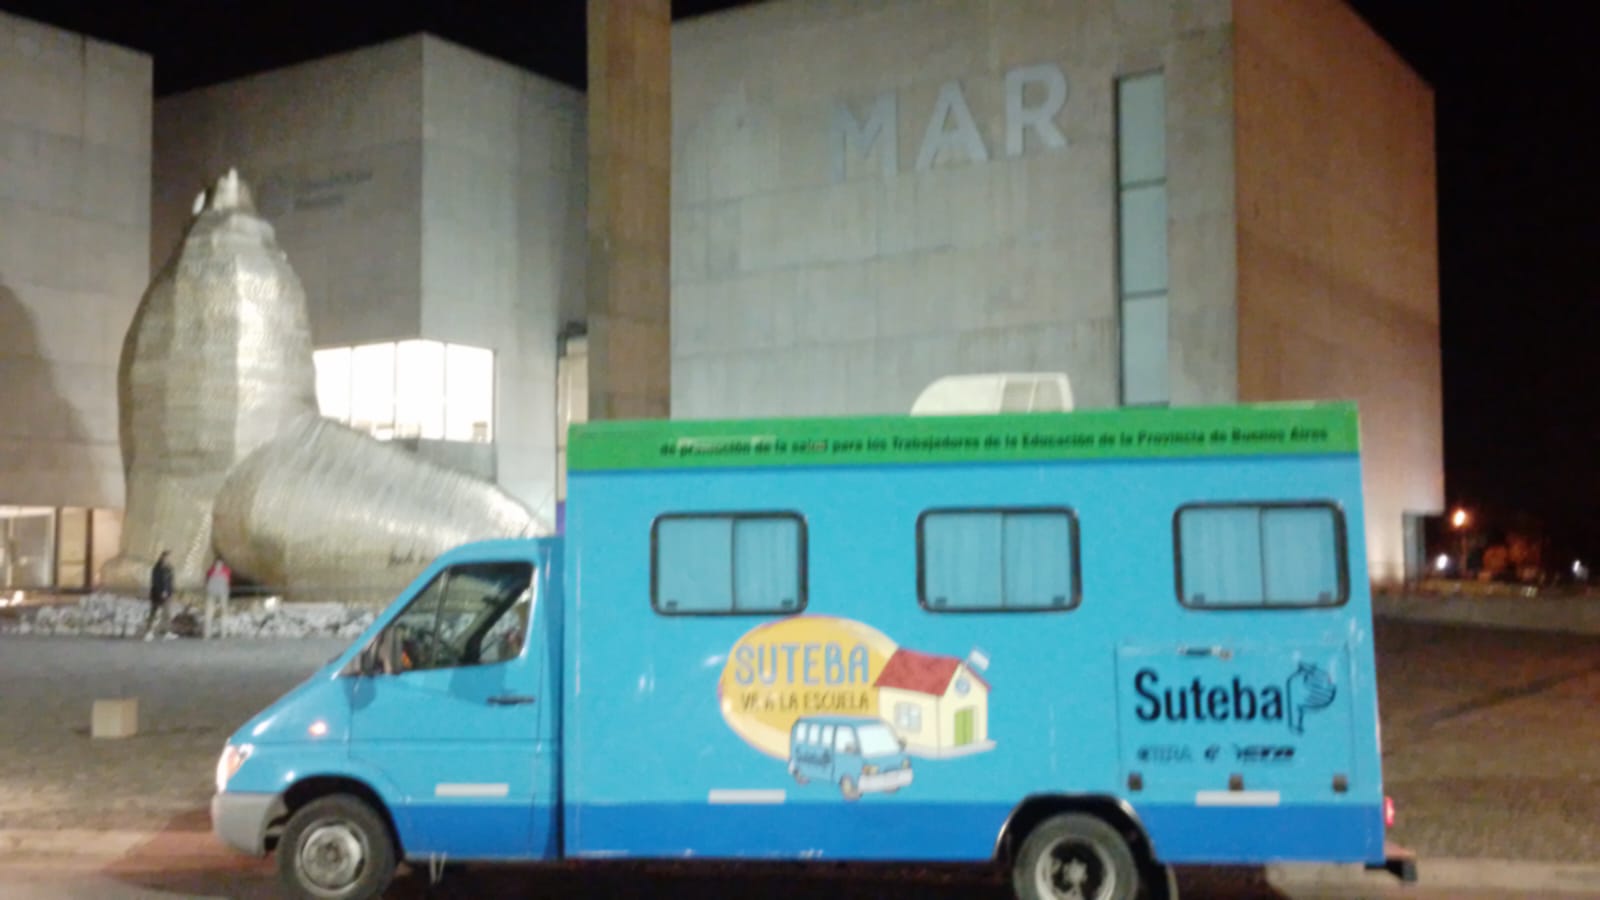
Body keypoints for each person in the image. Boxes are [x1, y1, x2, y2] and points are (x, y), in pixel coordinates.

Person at [144, 550, 174, 640]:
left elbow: (170, 582)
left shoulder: (169, 568)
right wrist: (161, 591)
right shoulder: (157, 568)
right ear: (162, 557)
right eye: (166, 557)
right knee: (154, 612)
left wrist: (170, 591)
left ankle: (166, 631)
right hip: (157, 594)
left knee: (167, 613)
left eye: (169, 558)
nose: (168, 559)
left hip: (167, 594)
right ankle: (149, 631)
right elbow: (155, 581)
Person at [204, 556, 232, 640]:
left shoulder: (210, 571)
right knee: (223, 613)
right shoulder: (226, 571)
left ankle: (207, 633)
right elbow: (228, 581)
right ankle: (223, 633)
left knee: (209, 614)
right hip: (222, 593)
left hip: (211, 593)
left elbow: (207, 579)